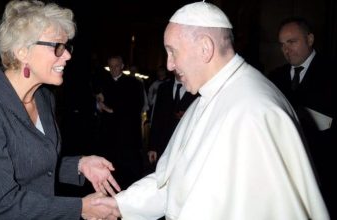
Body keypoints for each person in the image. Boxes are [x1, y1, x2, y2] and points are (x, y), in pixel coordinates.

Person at [92, 2, 330, 219]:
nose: (169, 65)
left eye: (173, 51)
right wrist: (118, 205)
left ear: (205, 48)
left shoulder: (253, 110)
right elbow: (172, 180)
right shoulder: (207, 96)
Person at [0, 1, 120, 219]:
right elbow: (0, 203)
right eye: (57, 47)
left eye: (66, 47)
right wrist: (80, 207)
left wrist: (80, 165)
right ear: (22, 52)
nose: (67, 56)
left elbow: (33, 165)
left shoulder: (43, 98)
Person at [268, 17, 335, 217]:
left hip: (325, 168)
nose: (286, 49)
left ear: (310, 39)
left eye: (292, 42)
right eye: (282, 44)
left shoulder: (331, 72)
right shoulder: (274, 77)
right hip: (286, 169)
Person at [94, 55, 145, 189]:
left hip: (127, 135)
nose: (113, 69)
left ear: (122, 66)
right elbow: (99, 105)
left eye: (116, 66)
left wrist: (112, 110)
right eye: (111, 66)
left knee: (127, 173)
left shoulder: (134, 84)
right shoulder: (104, 83)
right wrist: (99, 105)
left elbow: (136, 106)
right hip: (108, 135)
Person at [147, 72, 197, 165]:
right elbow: (156, 118)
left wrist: (187, 115)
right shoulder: (163, 87)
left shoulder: (196, 88)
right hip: (163, 144)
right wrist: (152, 147)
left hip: (184, 145)